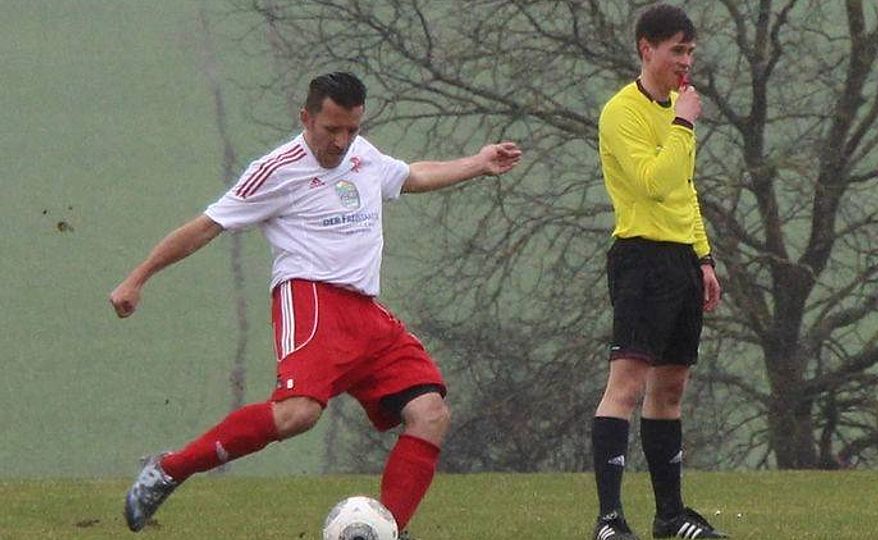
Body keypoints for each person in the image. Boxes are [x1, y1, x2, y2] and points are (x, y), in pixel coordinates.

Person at [110, 71, 522, 536]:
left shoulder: (362, 155)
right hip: (310, 299)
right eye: (332, 130)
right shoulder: (276, 170)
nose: (343, 141)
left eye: (352, 129)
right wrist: (138, 278)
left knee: (430, 414)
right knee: (298, 413)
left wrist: (479, 162)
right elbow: (206, 226)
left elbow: (411, 175)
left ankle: (387, 530)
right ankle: (169, 468)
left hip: (366, 312)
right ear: (306, 118)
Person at [590, 5, 726, 540]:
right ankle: (608, 520)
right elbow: (654, 183)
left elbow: (685, 193)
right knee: (625, 386)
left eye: (690, 51)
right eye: (676, 50)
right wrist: (684, 122)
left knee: (670, 389)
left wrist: (704, 258)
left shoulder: (674, 112)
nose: (685, 62)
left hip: (679, 261)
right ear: (647, 49)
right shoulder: (622, 112)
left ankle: (670, 517)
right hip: (640, 257)